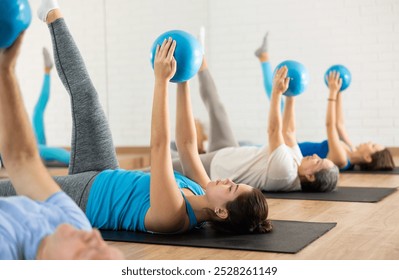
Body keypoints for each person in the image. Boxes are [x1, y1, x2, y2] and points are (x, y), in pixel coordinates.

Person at [1, 1, 271, 235]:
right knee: (87, 96)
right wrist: (183, 80)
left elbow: (159, 147)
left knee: (10, 189)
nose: (227, 181)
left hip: (81, 197)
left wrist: (161, 81)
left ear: (221, 212)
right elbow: (187, 145)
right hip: (106, 169)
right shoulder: (202, 191)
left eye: (232, 188)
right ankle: (52, 12)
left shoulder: (173, 217)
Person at [0, 32, 123, 259]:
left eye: (90, 252)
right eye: (105, 245)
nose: (95, 236)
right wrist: (5, 69)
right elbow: (23, 161)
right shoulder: (76, 225)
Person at [173, 53, 339, 193]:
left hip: (213, 169)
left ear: (310, 176)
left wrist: (276, 92)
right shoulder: (297, 162)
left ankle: (185, 70)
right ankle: (199, 60)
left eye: (318, 162)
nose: (316, 156)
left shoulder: (285, 172)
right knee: (218, 110)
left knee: (162, 169)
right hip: (229, 151)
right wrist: (291, 95)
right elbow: (289, 132)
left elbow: (274, 131)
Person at [256, 32, 395, 171]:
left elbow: (330, 126)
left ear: (368, 158)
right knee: (278, 103)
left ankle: (264, 58)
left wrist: (332, 92)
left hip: (287, 151)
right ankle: (264, 58)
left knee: (279, 102)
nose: (370, 142)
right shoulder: (350, 148)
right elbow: (339, 124)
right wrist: (339, 91)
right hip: (291, 143)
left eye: (372, 146)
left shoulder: (342, 159)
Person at [33, 47, 71, 165]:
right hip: (19, 154)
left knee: (37, 111)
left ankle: (47, 71)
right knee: (42, 150)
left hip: (26, 148)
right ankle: (79, 160)